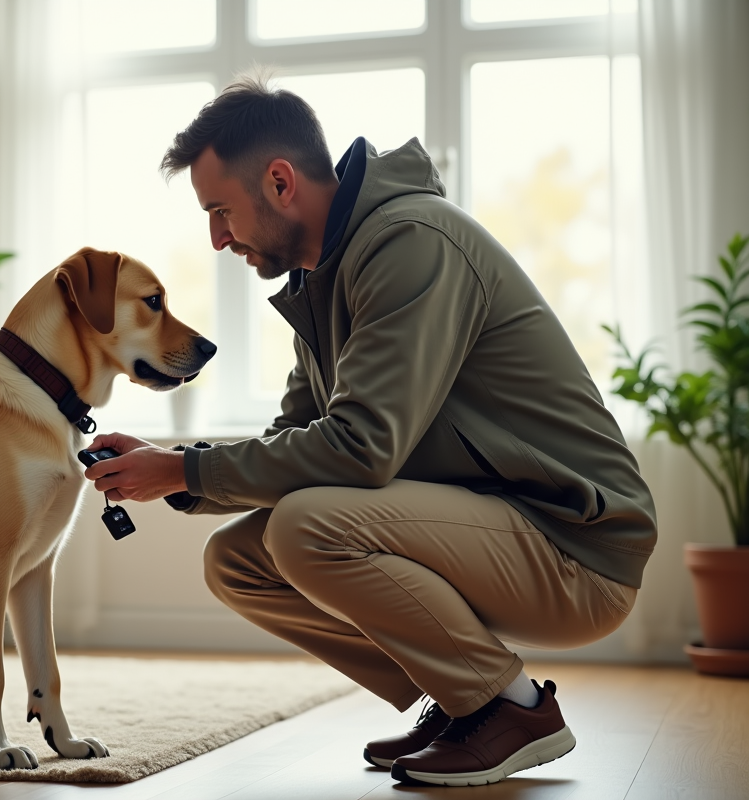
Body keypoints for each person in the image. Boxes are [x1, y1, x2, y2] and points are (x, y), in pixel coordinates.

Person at [81, 74, 656, 787]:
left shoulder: (410, 243)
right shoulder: (321, 281)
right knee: (238, 560)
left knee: (306, 526)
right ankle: (464, 698)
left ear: (281, 181)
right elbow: (298, 437)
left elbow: (361, 447)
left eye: (221, 210)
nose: (217, 237)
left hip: (575, 546)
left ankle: (511, 709)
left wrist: (183, 472)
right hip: (495, 526)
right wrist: (174, 465)